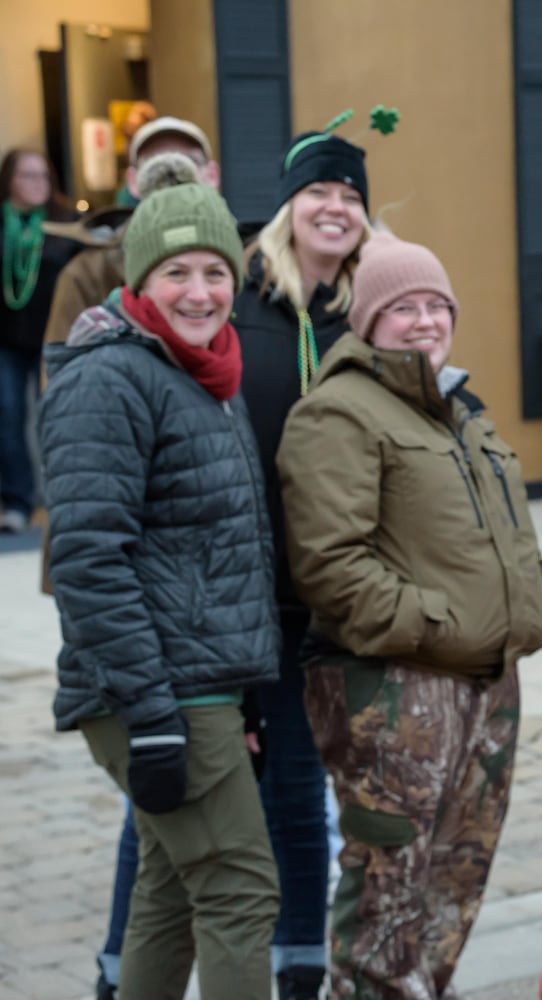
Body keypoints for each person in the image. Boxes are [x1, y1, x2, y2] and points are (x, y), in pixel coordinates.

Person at [277, 232, 542, 997]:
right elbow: (330, 566)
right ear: (368, 320)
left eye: (435, 305)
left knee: (454, 886)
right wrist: (445, 629)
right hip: (394, 694)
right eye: (402, 307)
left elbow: (516, 551)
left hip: (486, 690)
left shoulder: (462, 413)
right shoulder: (337, 413)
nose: (422, 321)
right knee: (387, 898)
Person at [39, 159, 281, 999]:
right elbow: (88, 560)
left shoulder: (204, 378)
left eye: (215, 271)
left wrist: (241, 688)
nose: (200, 291)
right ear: (140, 278)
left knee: (174, 893)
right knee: (242, 892)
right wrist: (151, 718)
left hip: (198, 685)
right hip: (153, 689)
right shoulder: (109, 378)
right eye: (176, 272)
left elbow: (216, 555)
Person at [236, 125, 373, 1000]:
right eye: (320, 191)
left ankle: (300, 967)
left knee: (307, 793)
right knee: (253, 790)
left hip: (341, 597)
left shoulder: (366, 309)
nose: (335, 207)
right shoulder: (241, 305)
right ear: (289, 206)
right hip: (255, 593)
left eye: (352, 197)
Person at [44, 117, 220, 350]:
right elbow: (61, 369)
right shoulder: (87, 274)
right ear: (133, 181)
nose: (171, 172)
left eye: (187, 161)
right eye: (154, 164)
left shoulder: (249, 266)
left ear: (212, 175)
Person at [0, 148, 78, 532]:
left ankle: (66, 498)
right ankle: (18, 502)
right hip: (7, 343)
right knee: (8, 417)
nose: (36, 184)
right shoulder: (3, 225)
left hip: (56, 340)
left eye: (42, 176)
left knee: (59, 418)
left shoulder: (67, 225)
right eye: (27, 176)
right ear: (9, 180)